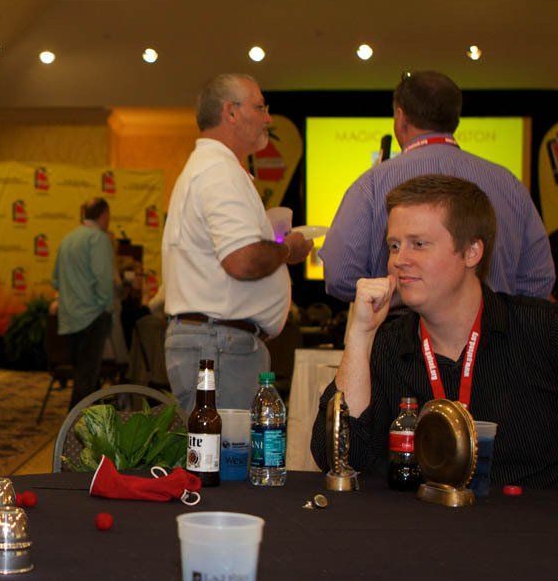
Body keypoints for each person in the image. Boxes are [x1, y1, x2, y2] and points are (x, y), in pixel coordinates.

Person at [311, 175, 558, 487]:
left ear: (472, 252)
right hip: (417, 517)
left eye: (419, 244)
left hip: (526, 516)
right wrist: (361, 336)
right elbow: (336, 459)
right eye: (394, 246)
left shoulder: (541, 330)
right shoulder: (387, 345)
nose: (399, 260)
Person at [322, 70, 554, 302]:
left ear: (400, 117)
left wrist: (392, 296)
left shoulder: (372, 184)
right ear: (454, 118)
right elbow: (538, 279)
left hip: (400, 323)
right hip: (497, 323)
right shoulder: (509, 184)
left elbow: (340, 276)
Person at [163, 74, 311, 413]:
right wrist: (288, 249)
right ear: (230, 112)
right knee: (228, 446)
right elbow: (241, 260)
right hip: (220, 345)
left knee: (218, 445)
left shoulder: (209, 168)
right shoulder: (219, 171)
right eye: (260, 107)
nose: (268, 118)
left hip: (216, 342)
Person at [52, 198, 115, 408]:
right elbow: (104, 281)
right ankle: (76, 422)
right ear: (104, 215)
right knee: (86, 379)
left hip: (69, 318)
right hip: (93, 317)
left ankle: (86, 420)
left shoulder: (67, 239)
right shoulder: (99, 239)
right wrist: (107, 308)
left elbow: (56, 280)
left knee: (82, 374)